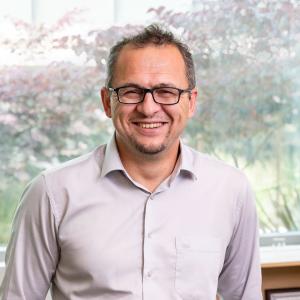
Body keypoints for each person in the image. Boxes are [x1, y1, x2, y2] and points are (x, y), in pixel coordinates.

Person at [0, 24, 262, 300]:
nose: (148, 108)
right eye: (131, 91)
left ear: (191, 102)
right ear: (107, 102)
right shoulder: (51, 194)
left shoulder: (230, 189)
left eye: (166, 91)